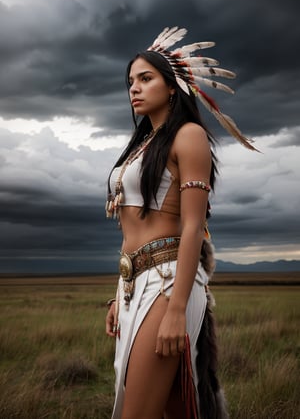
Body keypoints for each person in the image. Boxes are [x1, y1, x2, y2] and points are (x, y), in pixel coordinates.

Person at [105, 27, 257, 419]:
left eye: (145, 78)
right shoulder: (141, 143)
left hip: (169, 283)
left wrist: (176, 309)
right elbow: (129, 231)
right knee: (167, 408)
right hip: (133, 284)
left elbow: (192, 227)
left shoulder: (188, 136)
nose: (133, 89)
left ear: (172, 87)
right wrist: (118, 289)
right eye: (130, 81)